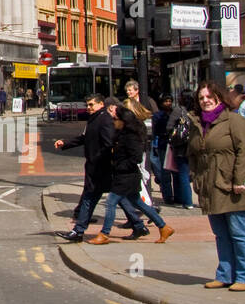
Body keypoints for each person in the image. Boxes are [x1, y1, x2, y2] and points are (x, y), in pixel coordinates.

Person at [187, 80, 245, 291]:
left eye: (210, 97)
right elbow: (193, 153)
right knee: (221, 234)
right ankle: (225, 274)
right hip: (209, 185)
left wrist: (239, 179)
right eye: (201, 98)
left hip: (231, 185)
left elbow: (243, 151)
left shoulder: (233, 120)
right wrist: (196, 178)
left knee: (239, 233)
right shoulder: (198, 123)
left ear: (219, 97)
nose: (205, 101)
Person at [89, 104, 174, 245]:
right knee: (138, 203)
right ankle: (163, 227)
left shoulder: (131, 136)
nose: (113, 122)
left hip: (127, 176)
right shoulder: (121, 133)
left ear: (123, 120)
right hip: (124, 175)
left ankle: (104, 234)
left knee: (110, 202)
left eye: (115, 119)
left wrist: (118, 165)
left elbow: (136, 158)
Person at [53, 93, 114, 242]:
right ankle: (78, 231)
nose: (88, 108)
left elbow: (108, 144)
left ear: (101, 104)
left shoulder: (105, 120)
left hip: (101, 168)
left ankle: (78, 231)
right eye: (87, 105)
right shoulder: (93, 119)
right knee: (91, 198)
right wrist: (65, 143)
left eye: (91, 105)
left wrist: (97, 159)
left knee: (121, 199)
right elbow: (83, 138)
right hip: (95, 166)